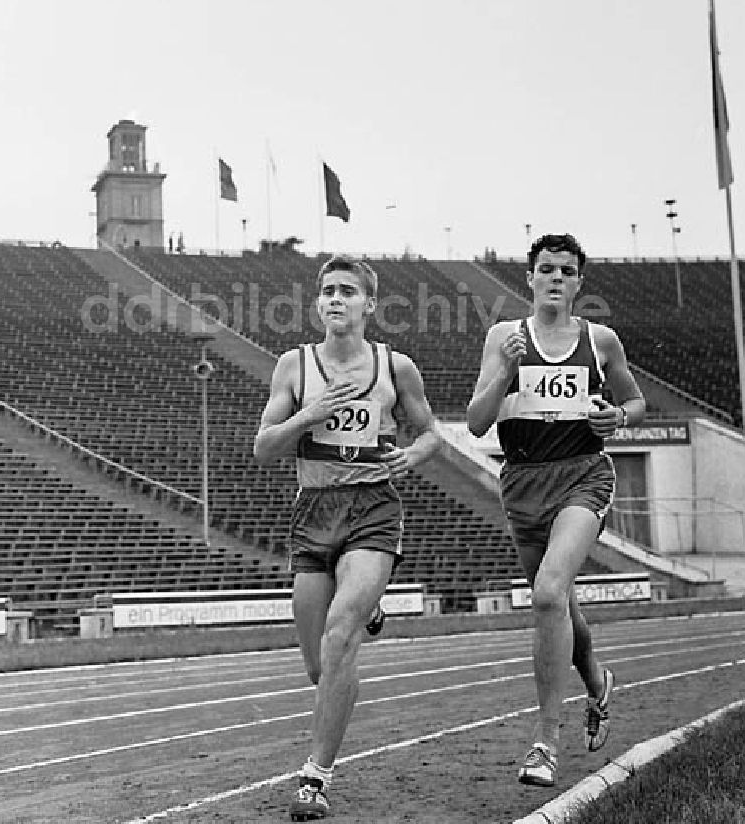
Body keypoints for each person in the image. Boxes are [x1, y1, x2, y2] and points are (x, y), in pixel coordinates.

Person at [254, 255, 442, 821]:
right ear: (318, 304)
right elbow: (264, 446)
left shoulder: (394, 367)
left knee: (341, 638)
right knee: (319, 668)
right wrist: (308, 416)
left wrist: (412, 453)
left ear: (368, 305)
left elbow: (432, 431)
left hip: (372, 509)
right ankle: (369, 608)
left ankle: (315, 777)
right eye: (328, 291)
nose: (336, 299)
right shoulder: (295, 366)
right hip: (312, 511)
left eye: (348, 291)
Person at [466, 233, 644, 787]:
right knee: (559, 602)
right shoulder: (505, 337)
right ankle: (596, 681)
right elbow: (476, 422)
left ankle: (545, 741)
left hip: (583, 476)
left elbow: (634, 401)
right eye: (547, 269)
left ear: (579, 283)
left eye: (567, 271)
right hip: (522, 482)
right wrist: (504, 372)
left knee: (546, 594)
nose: (556, 279)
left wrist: (617, 417)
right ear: (530, 278)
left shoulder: (601, 340)